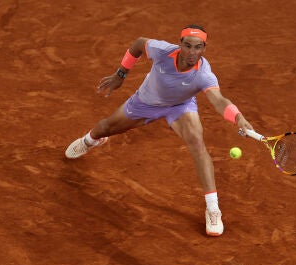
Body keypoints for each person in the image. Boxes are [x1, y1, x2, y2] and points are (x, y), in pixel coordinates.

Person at [65, 24, 253, 236]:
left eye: (198, 47)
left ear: (204, 48)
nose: (192, 53)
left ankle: (213, 208)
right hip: (145, 103)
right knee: (104, 127)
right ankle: (91, 140)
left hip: (180, 107)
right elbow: (138, 44)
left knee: (197, 144)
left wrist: (237, 117)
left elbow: (218, 101)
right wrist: (121, 73)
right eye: (188, 46)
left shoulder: (204, 75)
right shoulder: (162, 51)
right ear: (180, 44)